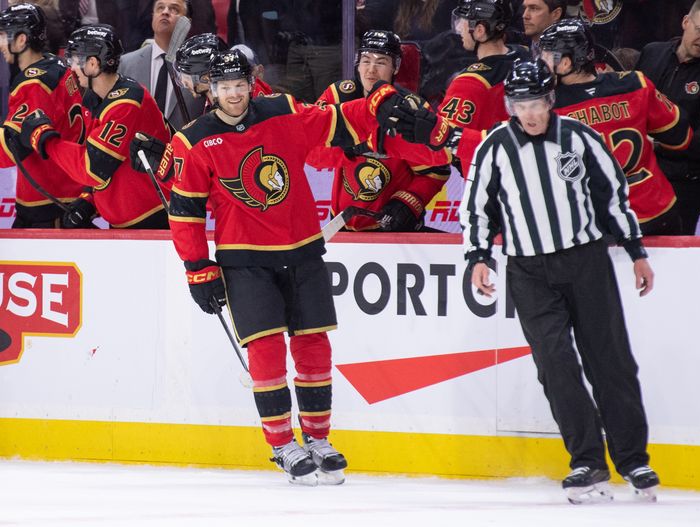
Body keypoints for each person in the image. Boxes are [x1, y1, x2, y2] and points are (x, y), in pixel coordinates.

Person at [166, 49, 400, 485]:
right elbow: (185, 214)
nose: (234, 95)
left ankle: (318, 438)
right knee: (267, 351)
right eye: (225, 88)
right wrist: (198, 268)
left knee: (314, 348)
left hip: (303, 250)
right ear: (211, 90)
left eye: (240, 86)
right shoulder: (193, 140)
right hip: (245, 260)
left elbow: (337, 120)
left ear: (250, 85)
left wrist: (379, 105)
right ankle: (281, 444)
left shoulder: (283, 111)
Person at [459, 58, 659, 504]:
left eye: (536, 103)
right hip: (529, 271)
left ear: (551, 100)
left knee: (610, 360)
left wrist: (635, 252)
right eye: (519, 104)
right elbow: (476, 207)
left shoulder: (581, 138)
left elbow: (613, 197)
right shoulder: (494, 146)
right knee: (555, 364)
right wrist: (478, 257)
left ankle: (633, 459)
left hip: (586, 262)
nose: (528, 113)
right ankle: (586, 459)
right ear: (509, 105)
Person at [538, 19, 692, 235]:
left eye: (547, 57)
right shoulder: (635, 83)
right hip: (657, 211)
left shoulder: (549, 108)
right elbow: (681, 136)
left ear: (565, 63)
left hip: (602, 224)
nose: (541, 64)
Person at [18, 24, 173, 229]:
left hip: (152, 219)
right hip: (128, 220)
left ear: (92, 64)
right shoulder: (98, 99)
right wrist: (89, 200)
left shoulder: (126, 104)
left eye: (74, 60)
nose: (71, 68)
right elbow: (109, 165)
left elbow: (93, 167)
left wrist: (46, 140)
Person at [309, 30, 450, 231]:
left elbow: (437, 170)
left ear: (396, 66)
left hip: (391, 230)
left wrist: (408, 203)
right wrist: (350, 145)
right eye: (366, 60)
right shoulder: (338, 96)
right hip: (341, 224)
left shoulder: (412, 109)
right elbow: (311, 152)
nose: (371, 70)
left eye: (381, 62)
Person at [636, 0, 700, 235]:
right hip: (642, 179)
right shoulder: (651, 53)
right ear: (686, 22)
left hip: (685, 184)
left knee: (675, 261)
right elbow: (631, 106)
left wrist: (655, 144)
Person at [0, 3, 85, 228]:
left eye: (3, 35)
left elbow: (13, 148)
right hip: (70, 190)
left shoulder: (33, 84)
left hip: (47, 203)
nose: (1, 44)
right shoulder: (57, 65)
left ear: (21, 40)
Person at [441, 0, 527, 173]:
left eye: (463, 22)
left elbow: (441, 139)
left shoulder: (468, 83)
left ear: (479, 31)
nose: (459, 29)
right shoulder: (526, 54)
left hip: (489, 181)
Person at [118, 0, 205, 130]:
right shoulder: (125, 64)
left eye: (174, 9)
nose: (165, 12)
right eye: (160, 8)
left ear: (187, 23)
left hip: (183, 147)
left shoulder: (201, 68)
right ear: (153, 16)